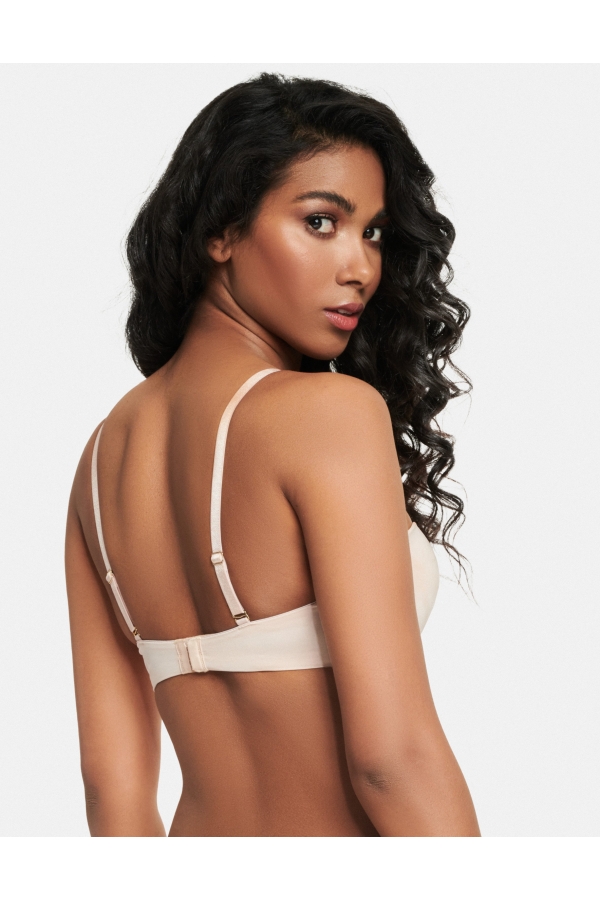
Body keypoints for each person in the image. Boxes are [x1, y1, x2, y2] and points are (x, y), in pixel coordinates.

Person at [65, 73, 480, 837]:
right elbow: (393, 761)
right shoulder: (329, 414)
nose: (360, 267)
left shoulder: (100, 460)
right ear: (219, 232)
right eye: (321, 222)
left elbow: (112, 793)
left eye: (374, 232)